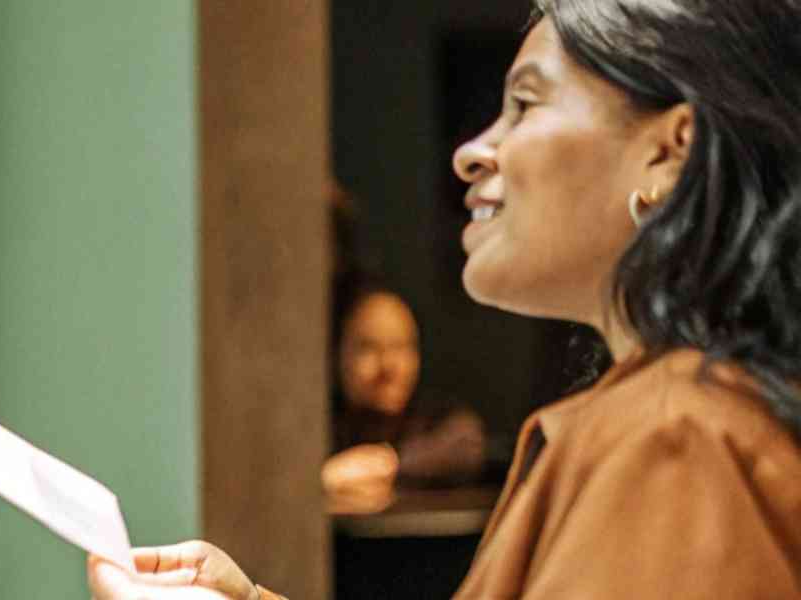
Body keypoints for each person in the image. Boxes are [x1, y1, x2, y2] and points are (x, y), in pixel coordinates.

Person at [91, 0, 801, 597]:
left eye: (524, 105)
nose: (472, 151)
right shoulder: (668, 420)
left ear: (670, 152)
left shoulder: (674, 444)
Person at [324, 284, 486, 514]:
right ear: (337, 355)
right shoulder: (318, 426)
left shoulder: (438, 419)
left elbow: (466, 446)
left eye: (400, 347)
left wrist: (384, 465)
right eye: (368, 348)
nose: (389, 366)